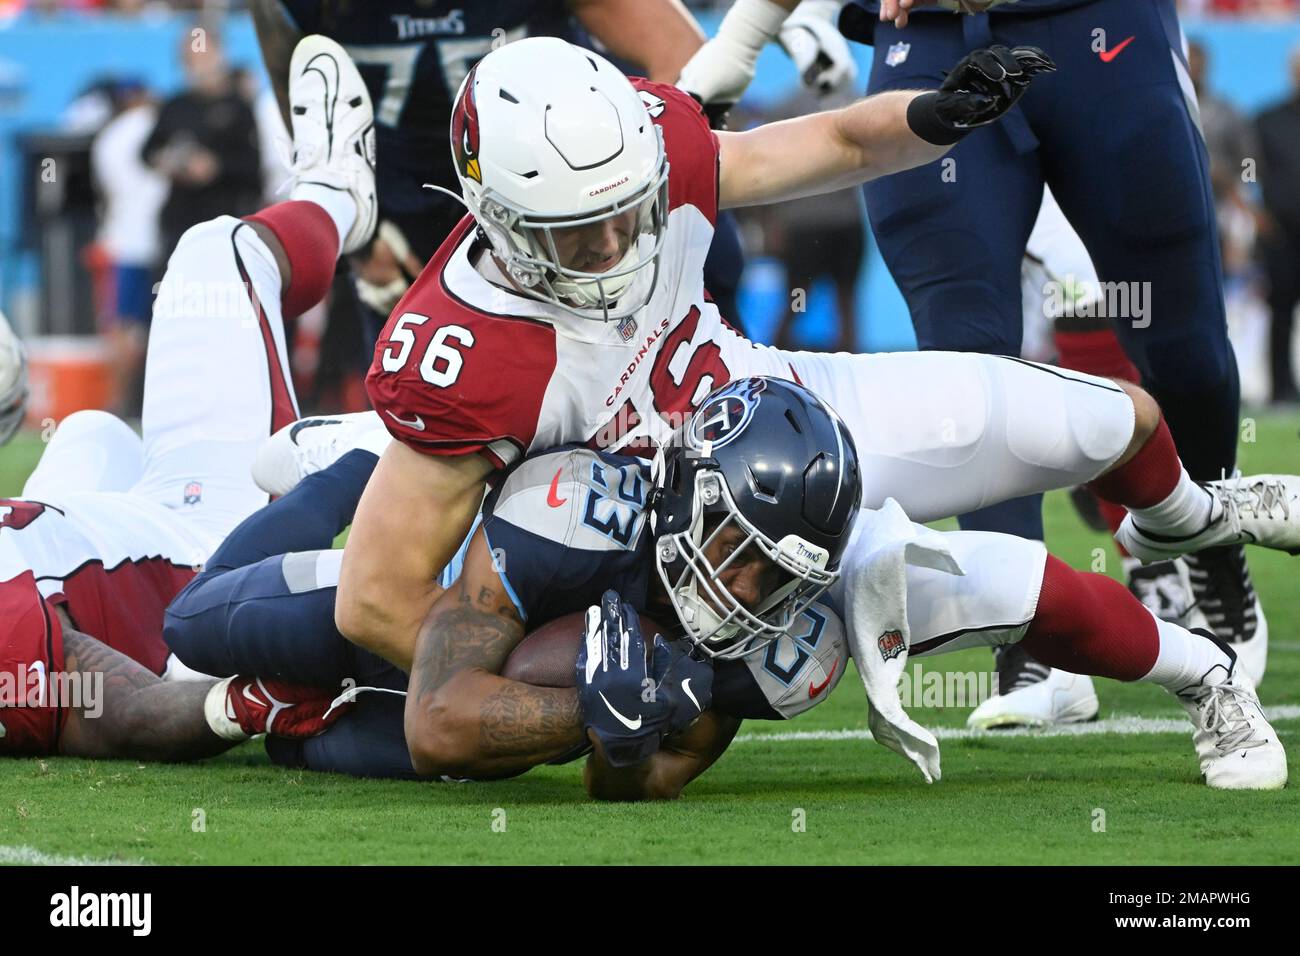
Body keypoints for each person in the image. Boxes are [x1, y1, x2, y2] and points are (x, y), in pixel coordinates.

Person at [166, 379, 1287, 793]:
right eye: (743, 551)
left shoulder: (795, 626)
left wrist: (619, 730)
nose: (751, 590)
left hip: (784, 428)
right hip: (441, 490)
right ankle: (331, 450)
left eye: (780, 573)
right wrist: (586, 705)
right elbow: (446, 719)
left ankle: (268, 711)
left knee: (299, 733)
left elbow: (653, 773)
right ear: (690, 497)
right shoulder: (581, 505)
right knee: (197, 622)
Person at [829, 0, 1268, 717]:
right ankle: (1035, 644)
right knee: (963, 356)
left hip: (1096, 20)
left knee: (1182, 345)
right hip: (929, 34)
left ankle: (1212, 543)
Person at [0, 34, 379, 760]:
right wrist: (230, 705)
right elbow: (119, 709)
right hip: (206, 556)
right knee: (217, 253)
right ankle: (338, 197)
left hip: (109, 538)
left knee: (92, 432)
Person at [143, 26, 263, 258]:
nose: (198, 65)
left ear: (220, 55)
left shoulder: (239, 107)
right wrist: (168, 161)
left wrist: (215, 167)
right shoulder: (175, 106)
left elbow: (253, 166)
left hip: (226, 223)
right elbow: (147, 152)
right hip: (180, 223)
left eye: (204, 56)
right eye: (190, 59)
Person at [1255, 44, 1300, 405]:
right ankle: (1281, 390)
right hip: (1281, 234)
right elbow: (1247, 170)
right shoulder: (1267, 120)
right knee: (1280, 313)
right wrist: (1257, 214)